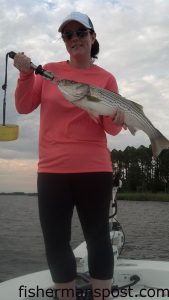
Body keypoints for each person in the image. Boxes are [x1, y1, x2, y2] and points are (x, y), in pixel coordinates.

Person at [13, 11, 125, 300]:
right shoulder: (48, 70)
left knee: (98, 239)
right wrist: (26, 74)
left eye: (80, 33)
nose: (75, 38)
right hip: (52, 171)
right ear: (64, 40)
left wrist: (118, 117)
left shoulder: (106, 78)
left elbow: (111, 130)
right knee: (56, 242)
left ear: (92, 36)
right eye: (68, 34)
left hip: (94, 169)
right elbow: (24, 107)